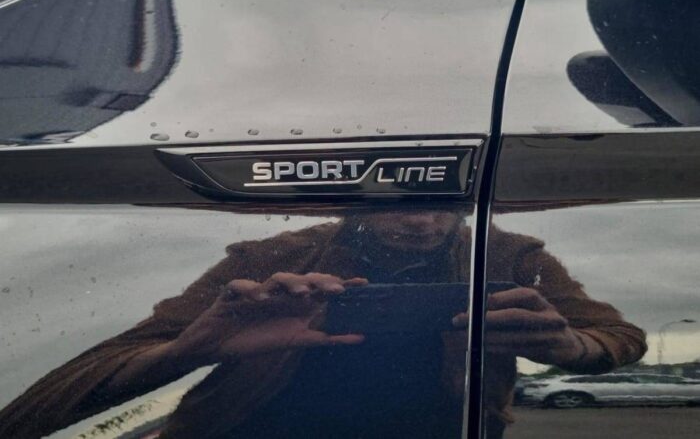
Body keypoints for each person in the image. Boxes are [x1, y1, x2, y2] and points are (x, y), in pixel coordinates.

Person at [0, 208, 647, 439]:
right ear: (353, 200)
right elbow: (73, 383)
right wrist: (192, 349)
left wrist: (572, 345)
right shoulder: (273, 257)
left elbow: (621, 338)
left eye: (443, 202)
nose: (421, 220)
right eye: (398, 201)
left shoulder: (512, 257)